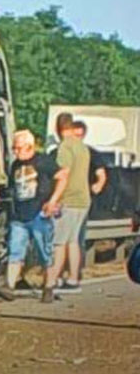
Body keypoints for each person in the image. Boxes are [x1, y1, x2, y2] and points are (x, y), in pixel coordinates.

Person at [0, 130, 68, 303]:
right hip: (19, 215)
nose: (16, 151)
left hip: (39, 213)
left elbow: (63, 176)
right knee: (15, 251)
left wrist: (53, 200)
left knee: (45, 252)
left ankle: (49, 286)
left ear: (29, 146)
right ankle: (9, 287)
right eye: (14, 148)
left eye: (18, 148)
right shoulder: (15, 165)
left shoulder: (44, 161)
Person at [47, 113, 90, 293]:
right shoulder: (82, 147)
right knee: (73, 241)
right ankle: (73, 279)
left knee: (59, 242)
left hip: (68, 199)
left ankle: (52, 280)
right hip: (83, 199)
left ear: (58, 128)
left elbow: (63, 174)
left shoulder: (65, 147)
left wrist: (53, 199)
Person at [66, 120, 108, 283]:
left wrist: (97, 185)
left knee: (76, 237)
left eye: (79, 135)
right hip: (63, 199)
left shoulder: (90, 153)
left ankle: (75, 272)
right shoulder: (62, 151)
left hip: (81, 200)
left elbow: (101, 174)